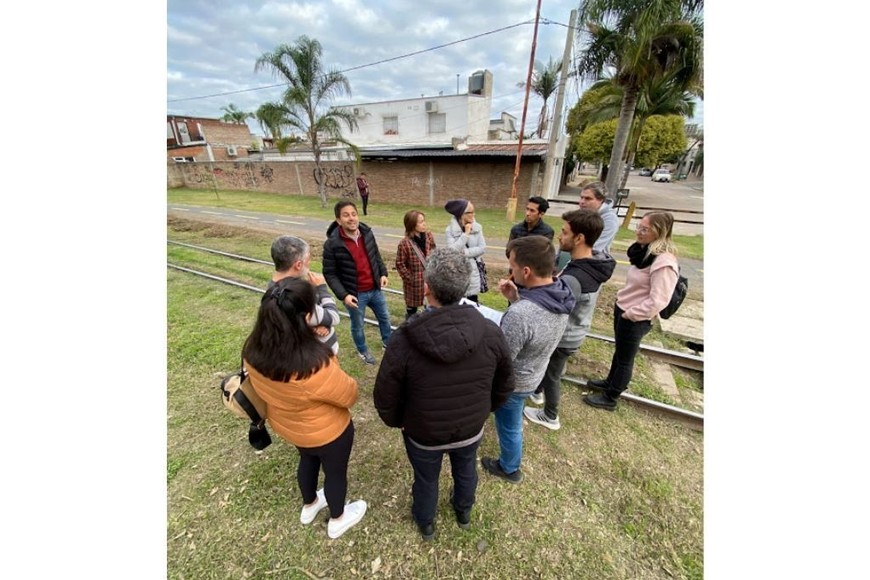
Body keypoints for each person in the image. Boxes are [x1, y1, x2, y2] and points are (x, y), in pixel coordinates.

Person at [373, 247, 514, 540]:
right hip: (470, 427)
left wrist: (399, 420)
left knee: (426, 478)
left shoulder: (404, 339)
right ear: (464, 288)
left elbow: (385, 395)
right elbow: (505, 386)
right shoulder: (490, 332)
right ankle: (463, 511)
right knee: (466, 469)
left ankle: (425, 521)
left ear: (426, 288)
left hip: (423, 433)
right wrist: (483, 409)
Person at [243, 276, 367, 540]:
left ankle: (309, 505)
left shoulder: (253, 350)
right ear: (304, 316)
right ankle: (337, 519)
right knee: (335, 473)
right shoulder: (313, 365)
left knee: (307, 460)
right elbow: (349, 394)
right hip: (328, 433)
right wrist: (326, 353)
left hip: (290, 428)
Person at [481, 235, 575, 484]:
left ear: (525, 270)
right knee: (512, 419)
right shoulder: (561, 292)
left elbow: (502, 358)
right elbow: (538, 325)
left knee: (510, 426)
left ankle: (509, 468)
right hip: (535, 372)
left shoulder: (521, 316)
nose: (510, 272)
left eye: (512, 267)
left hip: (514, 383)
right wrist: (515, 299)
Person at [524, 209, 616, 429]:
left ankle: (550, 415)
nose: (559, 236)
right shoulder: (593, 262)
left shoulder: (575, 277)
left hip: (566, 336)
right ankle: (537, 393)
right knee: (549, 368)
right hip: (577, 329)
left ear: (579, 238)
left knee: (553, 375)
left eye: (564, 232)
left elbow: (555, 308)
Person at [584, 211, 680, 411]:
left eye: (645, 229)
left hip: (635, 317)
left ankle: (611, 397)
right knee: (620, 352)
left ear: (659, 232)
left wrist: (632, 314)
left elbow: (659, 300)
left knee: (626, 358)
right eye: (639, 226)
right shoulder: (643, 252)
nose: (639, 232)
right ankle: (610, 381)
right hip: (624, 308)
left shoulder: (664, 262)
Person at [322, 200, 393, 365]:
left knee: (385, 318)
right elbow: (330, 273)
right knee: (358, 325)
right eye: (346, 215)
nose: (351, 218)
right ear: (338, 220)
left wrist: (382, 273)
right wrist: (344, 295)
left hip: (375, 289)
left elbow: (376, 255)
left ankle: (387, 343)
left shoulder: (367, 233)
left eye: (354, 214)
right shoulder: (332, 244)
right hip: (354, 295)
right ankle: (362, 350)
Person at [268, 235, 339, 354]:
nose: (309, 262)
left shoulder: (272, 288)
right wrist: (321, 289)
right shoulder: (294, 295)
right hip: (318, 356)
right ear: (299, 265)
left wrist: (318, 323)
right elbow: (333, 317)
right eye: (308, 259)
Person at [395, 210, 436, 320]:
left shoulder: (429, 237)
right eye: (421, 222)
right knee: (412, 312)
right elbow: (400, 264)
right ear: (412, 224)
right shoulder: (404, 243)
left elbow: (434, 253)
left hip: (429, 281)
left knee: (430, 310)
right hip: (413, 285)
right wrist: (410, 279)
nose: (424, 224)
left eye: (424, 221)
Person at [444, 199, 486, 303]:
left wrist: (464, 253)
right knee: (457, 301)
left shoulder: (477, 228)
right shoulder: (450, 230)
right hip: (458, 271)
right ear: (461, 214)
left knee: (472, 300)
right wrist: (465, 235)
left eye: (473, 212)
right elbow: (452, 251)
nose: (473, 214)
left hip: (473, 271)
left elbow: (482, 248)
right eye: (470, 212)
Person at [577, 181, 619, 254]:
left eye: (588, 198)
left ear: (600, 200)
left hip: (593, 261)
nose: (582, 202)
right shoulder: (581, 214)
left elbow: (596, 247)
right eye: (581, 197)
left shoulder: (610, 219)